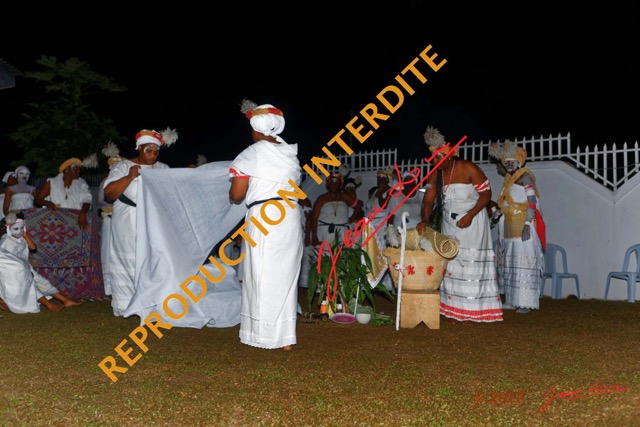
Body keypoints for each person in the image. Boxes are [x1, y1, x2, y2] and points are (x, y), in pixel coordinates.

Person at [229, 99, 303, 351]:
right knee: (285, 274)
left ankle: (263, 335)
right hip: (290, 216)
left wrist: (232, 191)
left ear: (257, 129)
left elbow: (237, 195)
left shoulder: (252, 153)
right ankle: (285, 338)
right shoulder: (290, 154)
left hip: (265, 216)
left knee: (260, 272)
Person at [416, 126, 502, 323]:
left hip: (472, 222)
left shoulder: (468, 168)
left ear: (450, 155)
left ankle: (475, 309)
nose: (436, 162)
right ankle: (453, 308)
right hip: (449, 223)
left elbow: (486, 195)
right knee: (452, 262)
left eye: (439, 158)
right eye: (434, 158)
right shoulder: (435, 175)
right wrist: (425, 220)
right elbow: (428, 201)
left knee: (469, 262)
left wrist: (471, 215)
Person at [103, 128, 176, 317]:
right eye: (148, 151)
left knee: (153, 260)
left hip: (154, 221)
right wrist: (129, 176)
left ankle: (152, 304)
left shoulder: (164, 169)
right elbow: (109, 194)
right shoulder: (122, 167)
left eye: (156, 151)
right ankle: (126, 305)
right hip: (127, 220)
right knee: (128, 258)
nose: (152, 155)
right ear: (139, 148)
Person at [489, 141, 544, 313]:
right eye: (507, 163)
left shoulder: (526, 176)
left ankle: (525, 303)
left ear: (519, 162)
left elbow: (532, 202)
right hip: (509, 228)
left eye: (512, 162)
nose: (509, 165)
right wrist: (499, 212)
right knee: (510, 264)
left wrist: (528, 224)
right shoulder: (509, 180)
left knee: (523, 263)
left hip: (522, 227)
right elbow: (508, 202)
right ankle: (512, 300)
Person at [0, 212, 82, 313]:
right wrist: (22, 270)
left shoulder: (21, 239)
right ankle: (49, 305)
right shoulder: (6, 241)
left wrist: (25, 236)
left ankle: (66, 301)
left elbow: (33, 249)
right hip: (14, 274)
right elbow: (5, 262)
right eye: (16, 228)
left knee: (43, 282)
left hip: (25, 268)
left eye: (22, 228)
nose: (19, 231)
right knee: (31, 284)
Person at [362, 167, 401, 291]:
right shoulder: (375, 191)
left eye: (383, 178)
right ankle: (371, 279)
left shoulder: (390, 192)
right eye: (379, 178)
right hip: (371, 225)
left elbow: (384, 205)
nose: (380, 180)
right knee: (371, 252)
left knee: (382, 252)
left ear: (388, 180)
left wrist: (382, 191)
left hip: (381, 224)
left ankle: (387, 284)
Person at [34, 156, 97, 230]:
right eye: (75, 168)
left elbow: (87, 200)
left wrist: (83, 213)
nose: (79, 171)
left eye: (79, 168)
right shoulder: (52, 183)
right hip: (55, 226)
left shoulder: (81, 183)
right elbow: (38, 198)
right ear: (66, 170)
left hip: (76, 223)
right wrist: (48, 203)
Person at [98, 142, 126, 297]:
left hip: (124, 221)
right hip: (110, 219)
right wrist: (111, 207)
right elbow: (101, 201)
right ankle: (108, 287)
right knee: (108, 249)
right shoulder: (105, 182)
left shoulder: (126, 181)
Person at [310, 173, 356, 247]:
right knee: (325, 255)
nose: (334, 185)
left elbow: (358, 207)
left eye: (336, 183)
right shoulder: (321, 199)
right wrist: (314, 236)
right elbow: (314, 218)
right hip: (324, 232)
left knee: (342, 256)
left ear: (340, 185)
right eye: (331, 183)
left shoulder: (345, 197)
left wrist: (351, 219)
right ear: (328, 185)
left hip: (342, 232)